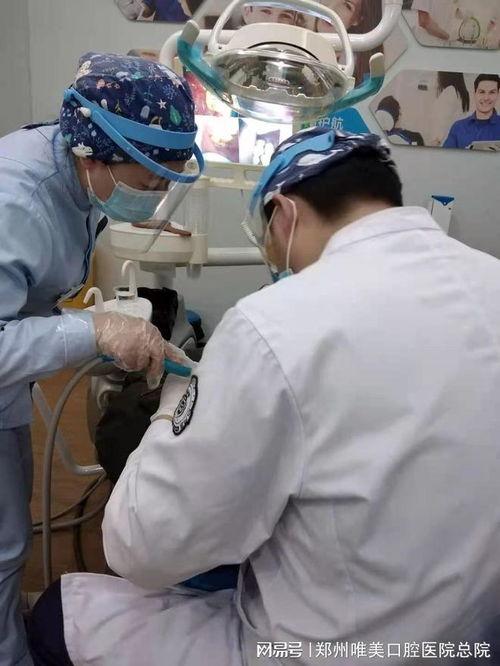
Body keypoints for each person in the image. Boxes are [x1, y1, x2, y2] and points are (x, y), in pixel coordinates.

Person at [27, 127, 500, 665]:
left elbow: (140, 547)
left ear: (284, 213)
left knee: (61, 616)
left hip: (326, 649)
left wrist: (173, 406)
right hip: (469, 638)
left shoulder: (273, 324)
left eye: (267, 239)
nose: (277, 259)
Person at [0, 51, 202, 666]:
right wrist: (93, 330)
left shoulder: (76, 171)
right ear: (94, 156)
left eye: (168, 181)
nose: (158, 197)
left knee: (9, 540)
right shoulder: (17, 201)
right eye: (150, 182)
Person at [443, 74, 500, 149]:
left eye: (492, 92)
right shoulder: (458, 127)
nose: (486, 98)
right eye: (482, 92)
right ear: (474, 94)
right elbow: (445, 155)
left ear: (498, 94)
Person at [430, 72, 470, 146]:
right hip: (456, 140)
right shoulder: (463, 93)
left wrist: (437, 139)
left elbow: (443, 120)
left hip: (444, 141)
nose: (438, 78)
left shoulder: (450, 91)